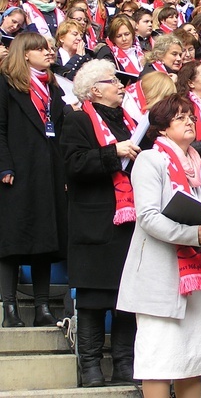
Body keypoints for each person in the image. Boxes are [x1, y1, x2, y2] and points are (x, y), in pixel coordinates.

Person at [117, 94, 201, 398]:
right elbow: (147, 217)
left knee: (192, 357)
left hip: (193, 276)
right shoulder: (150, 159)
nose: (189, 121)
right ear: (161, 129)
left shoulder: (197, 164)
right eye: (180, 117)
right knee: (159, 359)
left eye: (191, 116)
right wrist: (192, 235)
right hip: (159, 275)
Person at [61, 60, 140, 386]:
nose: (121, 85)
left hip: (129, 223)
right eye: (113, 81)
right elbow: (73, 164)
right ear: (95, 90)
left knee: (127, 299)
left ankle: (123, 363)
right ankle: (90, 366)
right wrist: (113, 152)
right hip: (95, 222)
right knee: (94, 300)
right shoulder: (78, 120)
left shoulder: (130, 122)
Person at [0, 32, 67, 328]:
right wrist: (5, 167)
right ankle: (9, 309)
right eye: (42, 48)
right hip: (17, 173)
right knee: (12, 241)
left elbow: (60, 132)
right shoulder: (6, 83)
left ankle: (43, 308)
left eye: (49, 48)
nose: (49, 52)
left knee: (45, 240)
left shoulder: (51, 86)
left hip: (48, 172)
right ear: (26, 53)